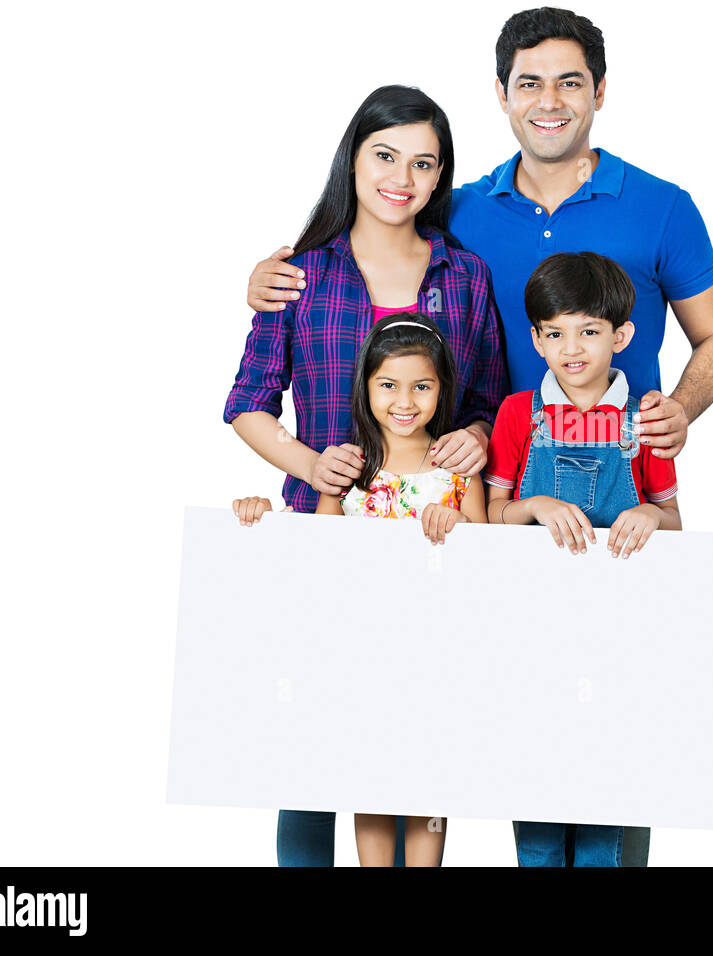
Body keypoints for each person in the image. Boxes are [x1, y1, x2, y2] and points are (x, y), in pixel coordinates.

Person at [243, 7, 713, 866]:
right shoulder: (464, 218)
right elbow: (314, 340)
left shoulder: (657, 208)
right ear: (503, 97)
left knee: (607, 749)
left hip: (551, 502)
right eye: (529, 83)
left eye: (570, 81)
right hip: (439, 512)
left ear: (601, 91)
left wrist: (679, 413)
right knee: (368, 749)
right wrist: (268, 277)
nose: (549, 101)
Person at [223, 84, 509, 866]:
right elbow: (248, 404)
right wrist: (311, 466)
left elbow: (487, 400)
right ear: (353, 158)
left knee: (425, 745)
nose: (402, 177)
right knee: (312, 752)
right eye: (385, 155)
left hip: (435, 549)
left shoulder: (464, 273)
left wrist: (474, 441)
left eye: (424, 163)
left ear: (440, 176)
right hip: (328, 538)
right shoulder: (299, 275)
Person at [233, 316, 486, 866]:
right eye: (389, 386)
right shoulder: (348, 469)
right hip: (359, 654)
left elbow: (489, 566)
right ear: (366, 387)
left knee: (428, 780)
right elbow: (319, 557)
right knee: (367, 776)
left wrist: (460, 527)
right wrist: (263, 519)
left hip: (435, 656)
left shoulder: (457, 471)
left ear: (442, 389)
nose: (405, 401)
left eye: (422, 386)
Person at [484, 251, 680, 866]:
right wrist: (534, 503)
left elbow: (675, 522)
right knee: (537, 792)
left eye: (590, 331)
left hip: (619, 636)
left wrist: (651, 514)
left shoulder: (646, 417)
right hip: (532, 633)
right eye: (556, 333)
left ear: (621, 335)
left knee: (607, 790)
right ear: (536, 340)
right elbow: (493, 515)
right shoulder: (518, 414)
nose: (573, 348)